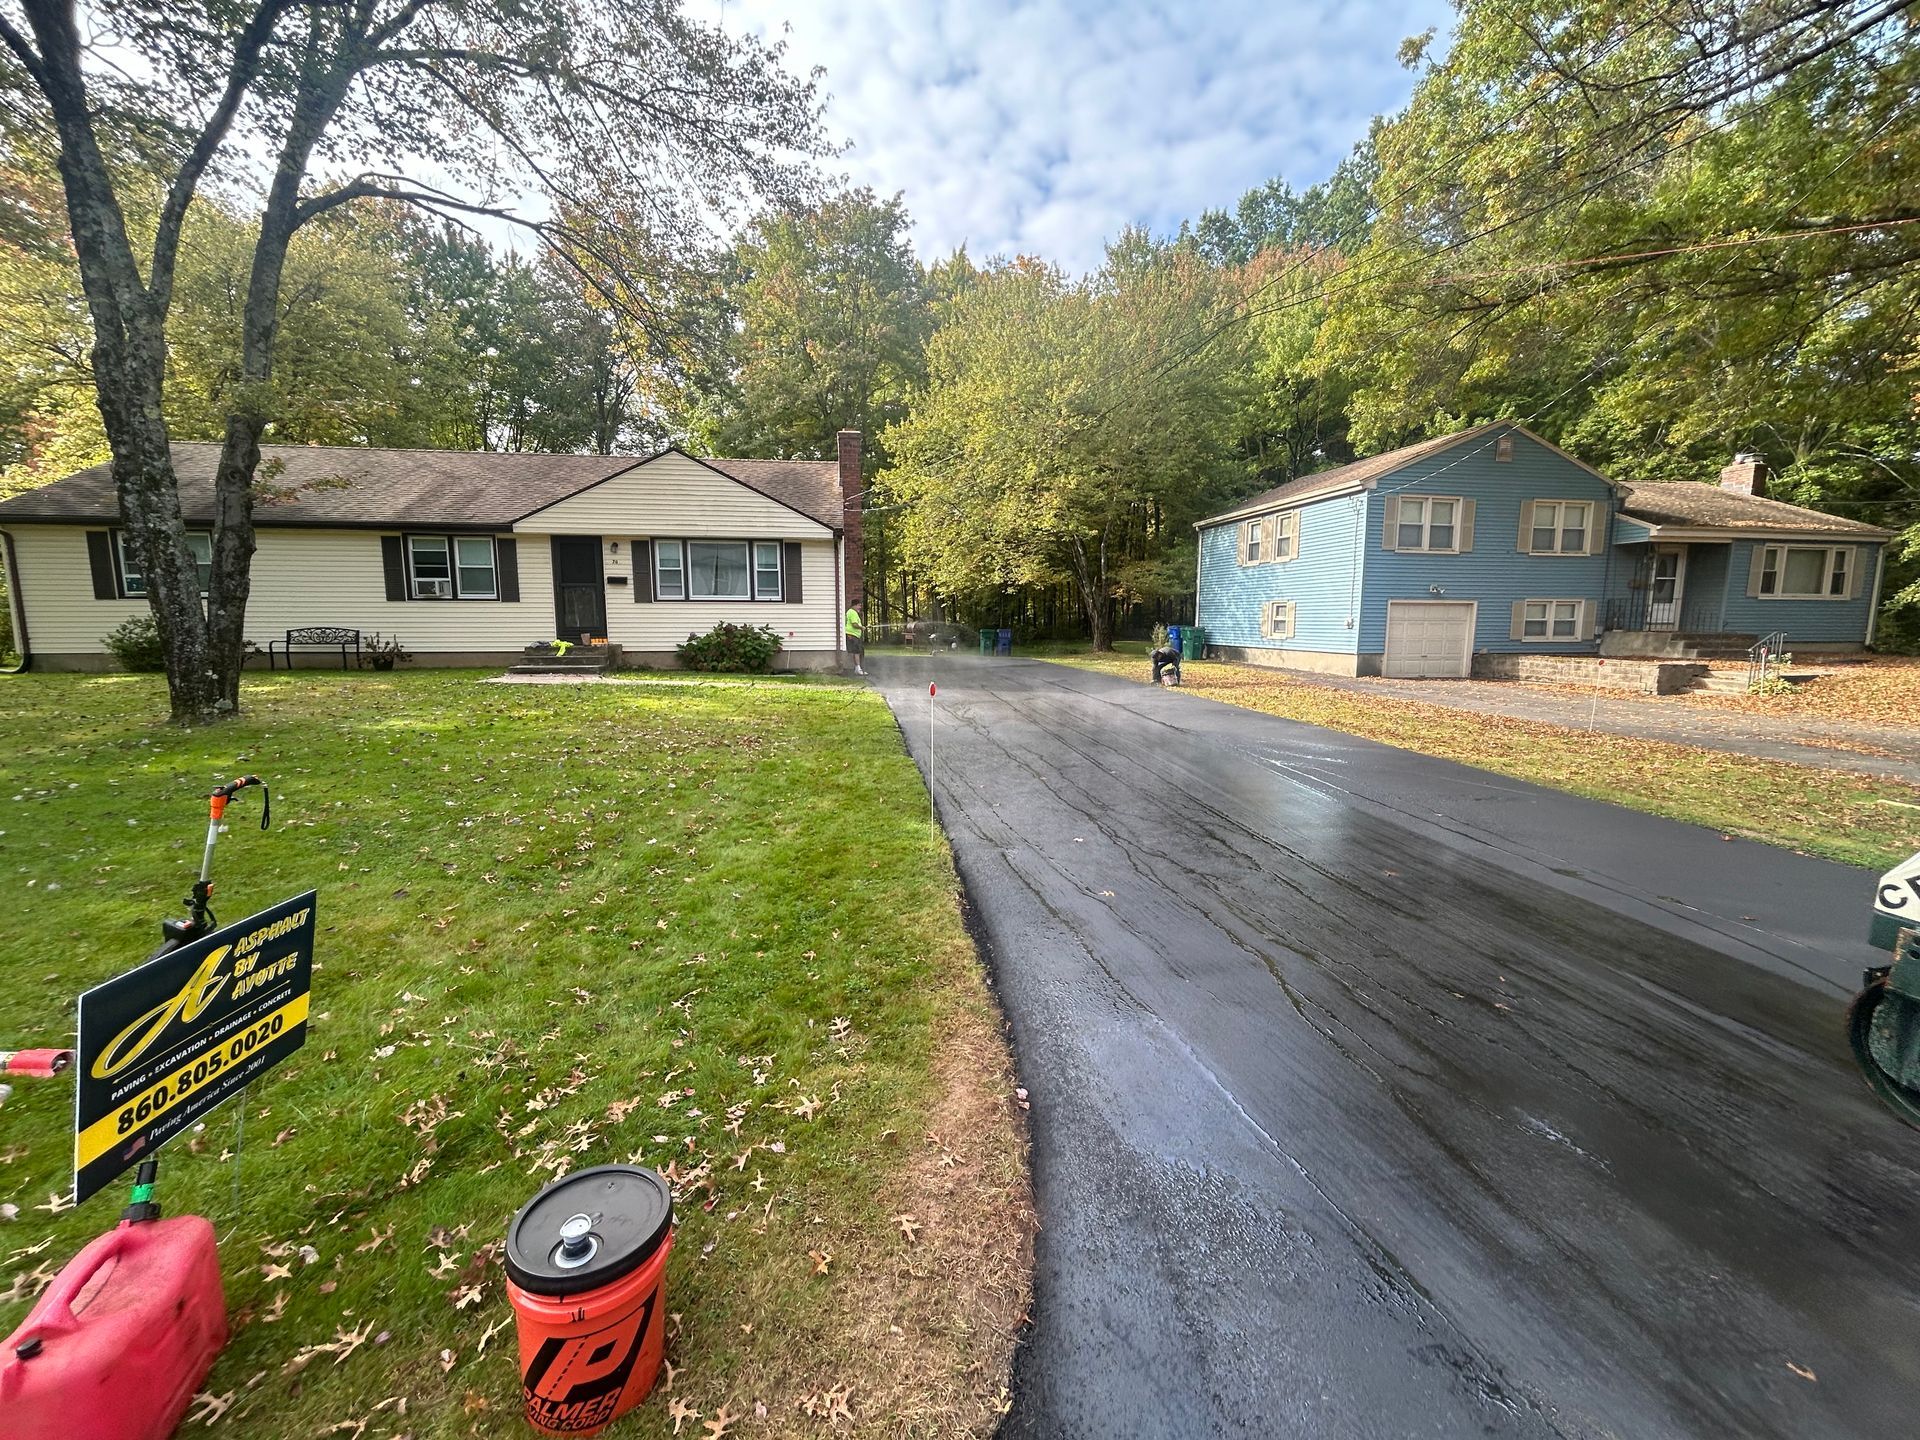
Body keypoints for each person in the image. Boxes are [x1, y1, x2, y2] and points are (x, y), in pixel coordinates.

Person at [845, 603, 867, 676]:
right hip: (852, 635)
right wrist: (861, 627)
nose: (860, 607)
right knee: (856, 652)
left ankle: (858, 668)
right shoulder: (852, 612)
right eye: (859, 605)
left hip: (854, 635)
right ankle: (858, 669)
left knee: (858, 651)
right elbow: (854, 624)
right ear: (854, 605)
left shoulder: (851, 612)